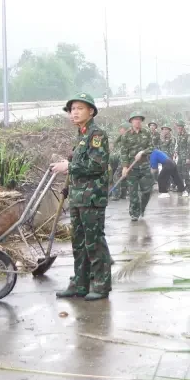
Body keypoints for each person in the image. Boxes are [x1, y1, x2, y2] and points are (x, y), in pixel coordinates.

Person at [50, 93, 112, 301]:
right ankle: (80, 283)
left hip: (92, 198)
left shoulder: (97, 135)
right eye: (71, 109)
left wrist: (69, 166)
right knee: (78, 243)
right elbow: (79, 168)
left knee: (94, 242)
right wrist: (68, 181)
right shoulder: (82, 135)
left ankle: (101, 285)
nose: (74, 113)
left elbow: (97, 165)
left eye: (79, 108)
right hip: (78, 197)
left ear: (91, 111)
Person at [118, 111, 154, 221]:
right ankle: (134, 213)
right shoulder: (126, 136)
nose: (137, 121)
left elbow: (152, 147)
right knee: (133, 193)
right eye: (135, 119)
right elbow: (123, 152)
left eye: (139, 119)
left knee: (147, 191)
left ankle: (142, 208)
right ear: (131, 121)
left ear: (141, 121)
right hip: (132, 168)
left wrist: (143, 152)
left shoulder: (147, 133)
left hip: (144, 166)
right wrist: (124, 167)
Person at [173, 120, 190, 196]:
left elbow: (189, 147)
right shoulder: (178, 135)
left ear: (182, 127)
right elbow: (178, 145)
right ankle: (181, 188)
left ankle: (187, 189)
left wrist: (188, 158)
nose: (178, 128)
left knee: (185, 173)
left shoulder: (187, 136)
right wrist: (176, 152)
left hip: (185, 157)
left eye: (180, 127)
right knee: (179, 173)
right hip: (180, 157)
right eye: (177, 127)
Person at [110, 123, 130, 201]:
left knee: (116, 176)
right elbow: (115, 143)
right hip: (123, 159)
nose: (120, 131)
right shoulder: (122, 137)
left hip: (125, 159)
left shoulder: (127, 138)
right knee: (123, 176)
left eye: (121, 129)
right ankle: (123, 194)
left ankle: (116, 195)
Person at [159, 123, 179, 192]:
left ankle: (172, 185)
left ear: (169, 130)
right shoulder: (161, 137)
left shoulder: (172, 138)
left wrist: (163, 139)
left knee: (170, 172)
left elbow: (169, 147)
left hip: (168, 158)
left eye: (166, 129)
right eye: (163, 129)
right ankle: (166, 186)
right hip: (162, 158)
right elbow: (160, 147)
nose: (164, 131)